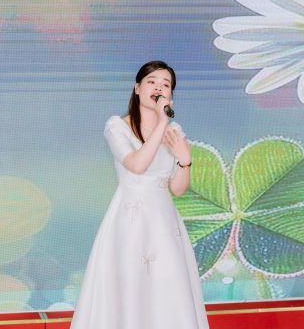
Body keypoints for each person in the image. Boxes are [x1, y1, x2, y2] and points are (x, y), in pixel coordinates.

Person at [70, 61, 210, 329]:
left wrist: (185, 161)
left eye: (165, 85)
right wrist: (162, 123)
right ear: (137, 88)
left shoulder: (174, 133)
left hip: (164, 222)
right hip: (130, 220)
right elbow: (137, 164)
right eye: (151, 82)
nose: (158, 88)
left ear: (171, 94)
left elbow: (178, 188)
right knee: (129, 288)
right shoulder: (117, 127)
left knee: (168, 288)